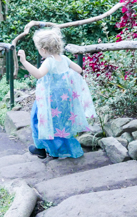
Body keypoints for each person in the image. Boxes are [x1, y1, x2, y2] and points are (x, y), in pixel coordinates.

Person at [18, 28, 96, 159]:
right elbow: (79, 69)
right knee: (61, 124)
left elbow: (38, 74)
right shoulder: (64, 59)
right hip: (64, 101)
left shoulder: (49, 61)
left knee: (38, 120)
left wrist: (24, 62)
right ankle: (62, 149)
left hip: (48, 101)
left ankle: (41, 148)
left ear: (43, 49)